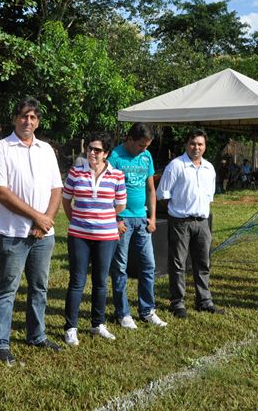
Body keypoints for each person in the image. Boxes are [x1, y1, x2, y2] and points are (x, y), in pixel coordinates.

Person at [0, 97, 63, 366]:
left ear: (38, 121)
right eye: (23, 116)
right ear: (14, 119)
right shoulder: (1, 149)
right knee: (7, 289)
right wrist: (37, 217)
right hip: (13, 231)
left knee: (39, 287)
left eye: (32, 117)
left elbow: (56, 188)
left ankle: (36, 335)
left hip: (43, 234)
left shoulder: (46, 150)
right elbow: (0, 191)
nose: (27, 121)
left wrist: (47, 220)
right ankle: (0, 342)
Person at [62, 132, 126, 346]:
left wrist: (103, 219)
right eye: (89, 148)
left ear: (106, 153)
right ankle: (70, 327)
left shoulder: (117, 175)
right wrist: (78, 220)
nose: (92, 153)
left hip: (107, 236)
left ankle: (97, 324)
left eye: (97, 150)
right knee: (77, 281)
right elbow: (66, 200)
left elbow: (120, 205)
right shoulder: (75, 172)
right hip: (79, 235)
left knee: (100, 282)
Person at [156, 129, 223, 319]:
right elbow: (162, 194)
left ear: (205, 146)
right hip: (180, 222)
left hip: (202, 223)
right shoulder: (176, 165)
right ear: (187, 145)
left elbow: (209, 196)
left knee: (203, 263)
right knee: (178, 264)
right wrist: (177, 211)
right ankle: (178, 303)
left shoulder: (209, 168)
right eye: (193, 143)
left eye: (200, 144)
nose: (196, 147)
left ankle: (204, 301)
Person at [108, 123, 167, 329]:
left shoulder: (146, 156)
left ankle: (147, 310)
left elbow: (150, 188)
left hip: (142, 219)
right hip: (122, 220)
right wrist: (116, 219)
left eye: (147, 145)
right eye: (141, 145)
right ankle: (123, 313)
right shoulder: (115, 156)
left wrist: (152, 216)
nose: (144, 149)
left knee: (148, 265)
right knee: (120, 268)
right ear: (130, 139)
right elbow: (107, 191)